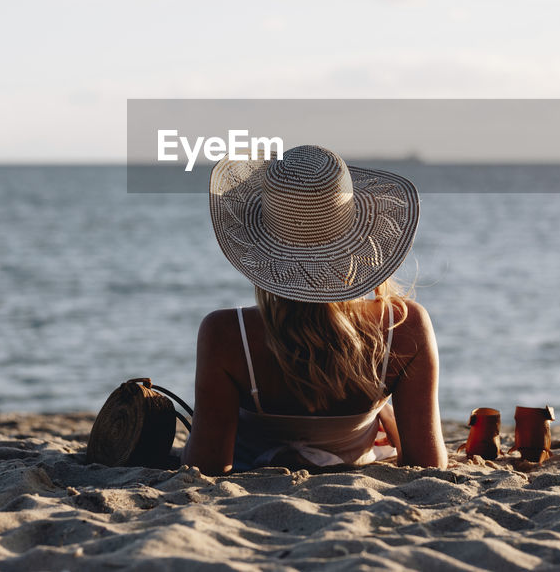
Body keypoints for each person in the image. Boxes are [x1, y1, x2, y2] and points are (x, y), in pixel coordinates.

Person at [182, 144, 447, 473]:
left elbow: (206, 466)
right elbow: (429, 465)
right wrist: (390, 421)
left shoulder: (227, 334)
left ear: (263, 249)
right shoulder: (402, 328)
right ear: (356, 240)